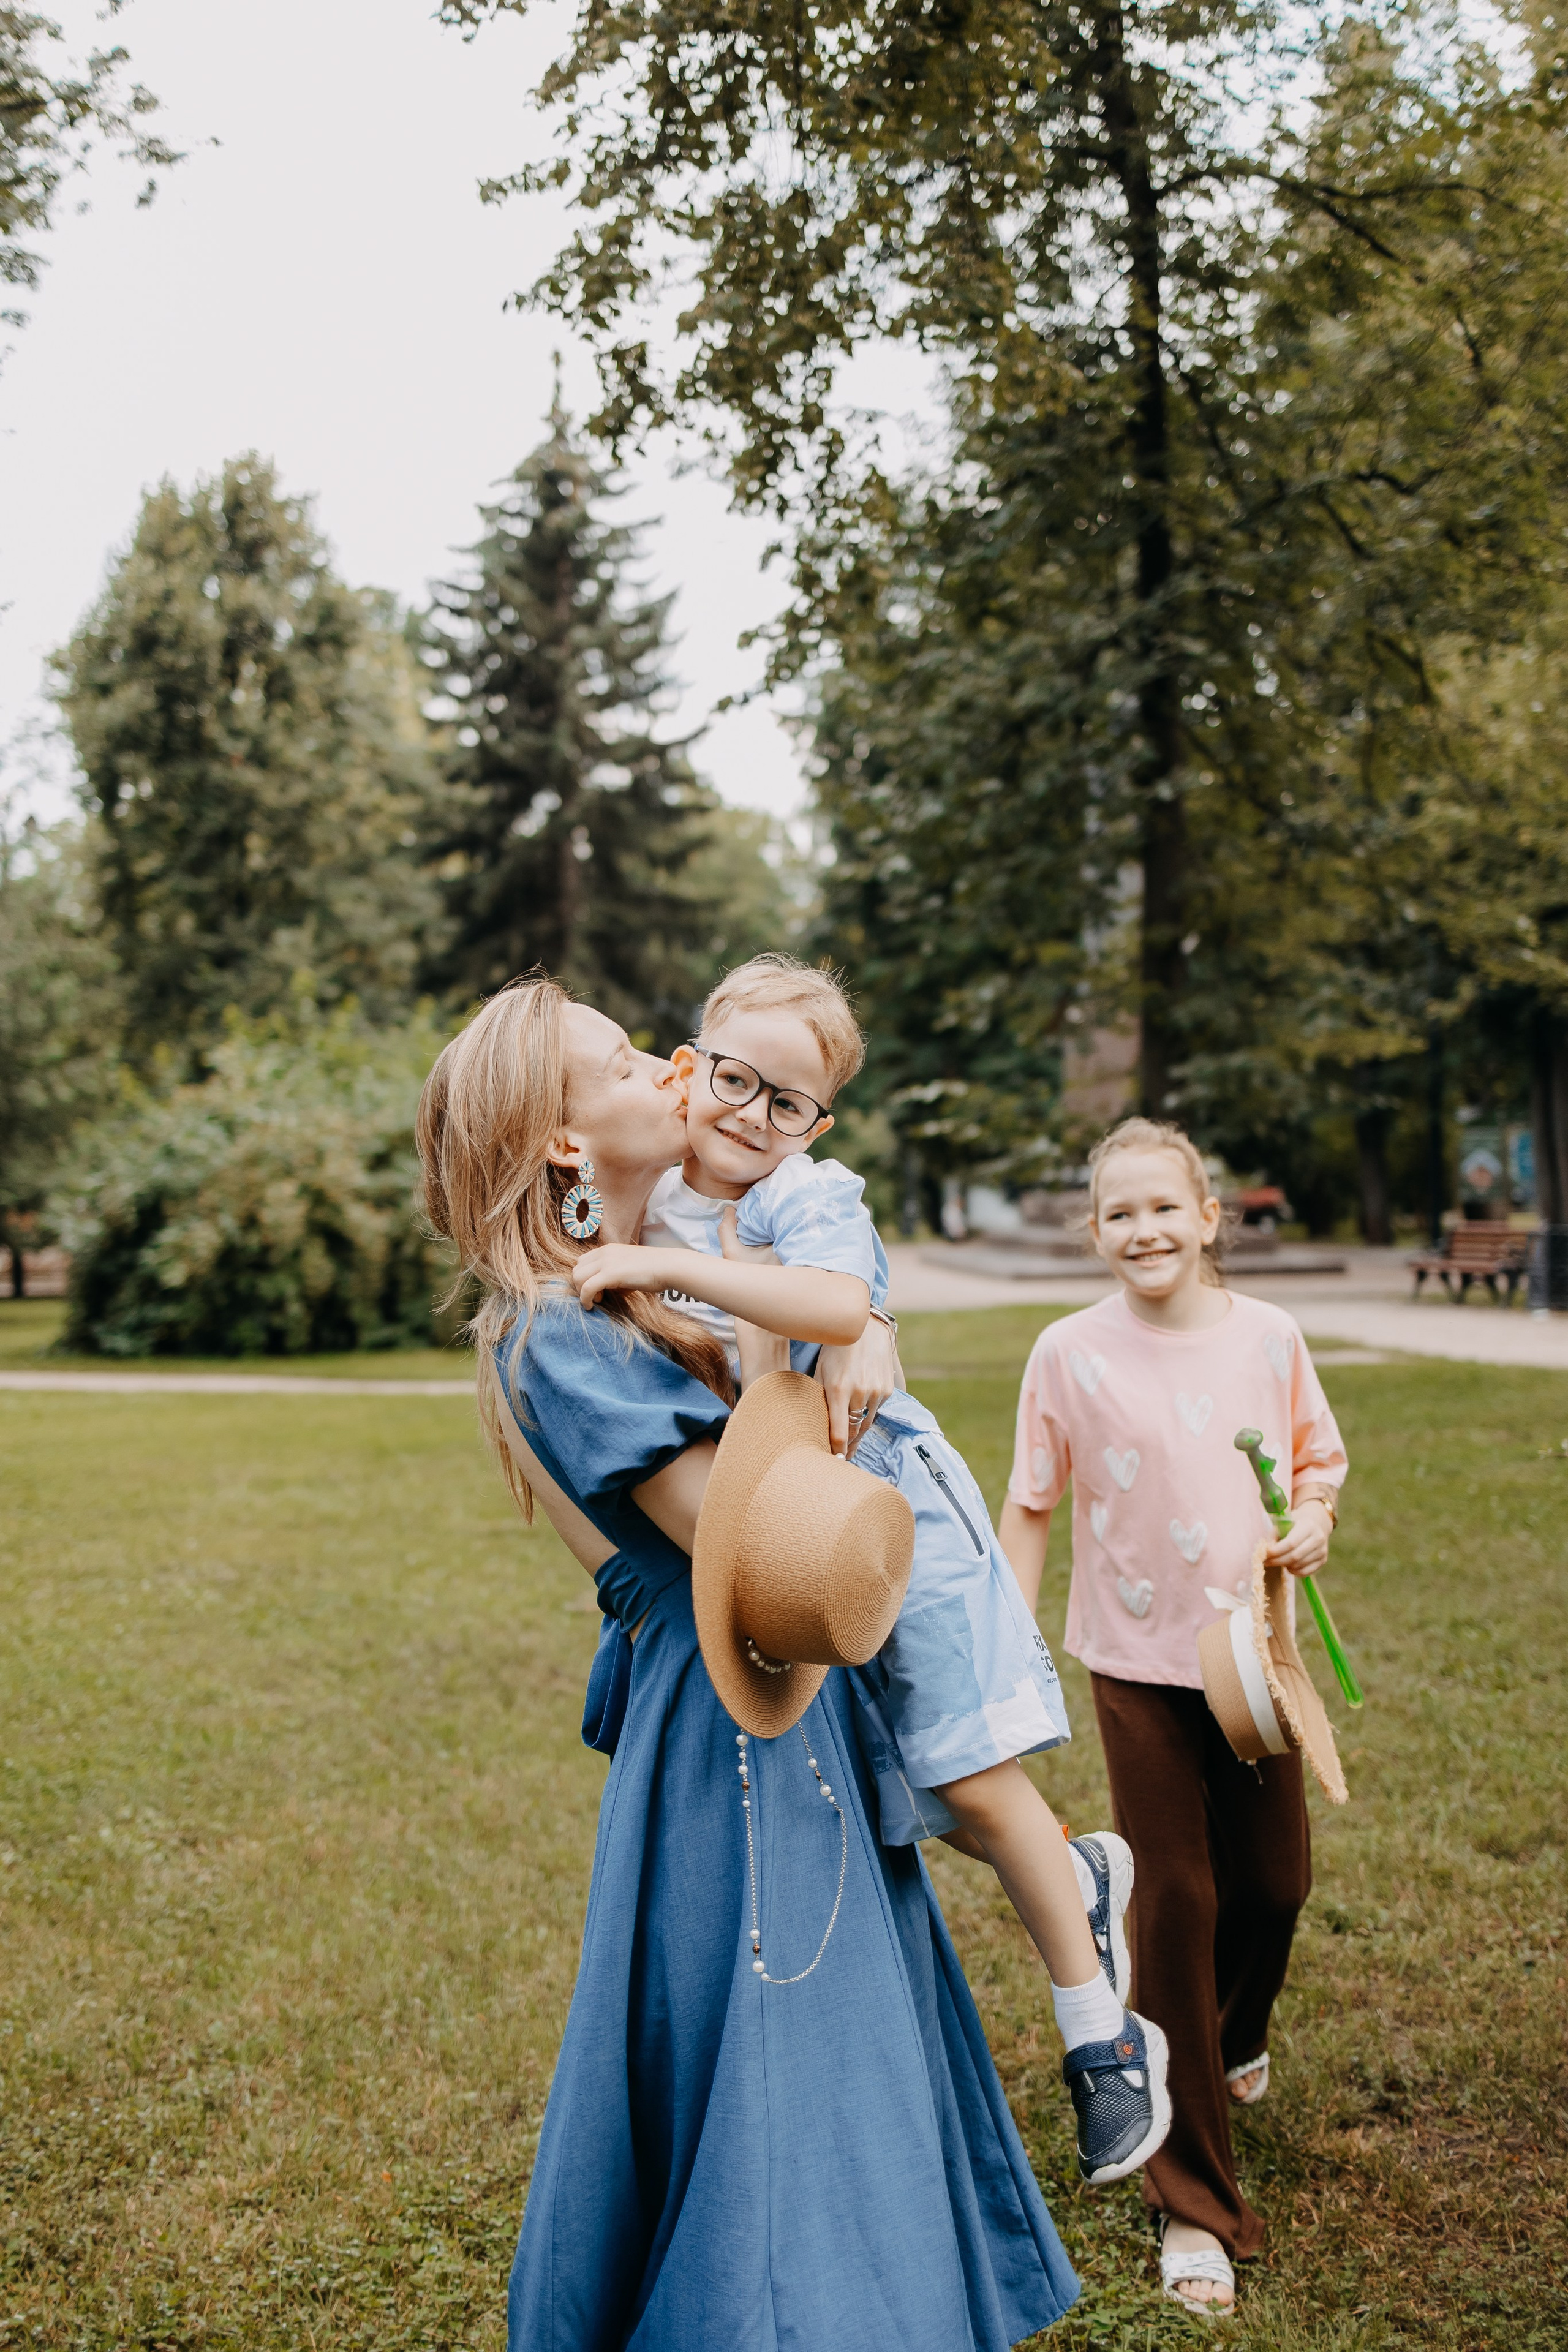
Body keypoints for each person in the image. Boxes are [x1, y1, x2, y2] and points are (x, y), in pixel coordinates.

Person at [415, 973, 1080, 2352]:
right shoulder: (560, 1319)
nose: (668, 1067)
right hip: (734, 1714)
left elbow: (790, 1365)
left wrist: (859, 1320)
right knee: (774, 2043)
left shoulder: (655, 1263)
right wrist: (833, 1338)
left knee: (833, 2035)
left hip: (775, 1685)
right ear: (558, 1143)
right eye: (619, 1064)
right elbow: (764, 1531)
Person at [568, 953, 1172, 2188]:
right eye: (732, 1079)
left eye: (784, 1101)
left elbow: (838, 1303)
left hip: (888, 1504)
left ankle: (1101, 2041)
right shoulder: (652, 1191)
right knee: (912, 1786)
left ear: (816, 1121)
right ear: (691, 1066)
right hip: (795, 1524)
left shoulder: (802, 1190)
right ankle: (1075, 1872)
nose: (749, 1115)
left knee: (963, 1768)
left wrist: (674, 1272)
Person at [998, 1116, 1349, 2317]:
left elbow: (1314, 1463)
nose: (1140, 1230)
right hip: (1134, 1663)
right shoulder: (1065, 1352)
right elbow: (1032, 1502)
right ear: (1093, 1234)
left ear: (1207, 1219)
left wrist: (1310, 1521)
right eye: (1117, 1214)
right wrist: (1003, 1635)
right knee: (1180, 1900)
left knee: (1275, 1885)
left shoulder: (1269, 1336)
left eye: (1163, 1207)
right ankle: (1189, 2203)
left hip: (1248, 1660)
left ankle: (1223, 2036)